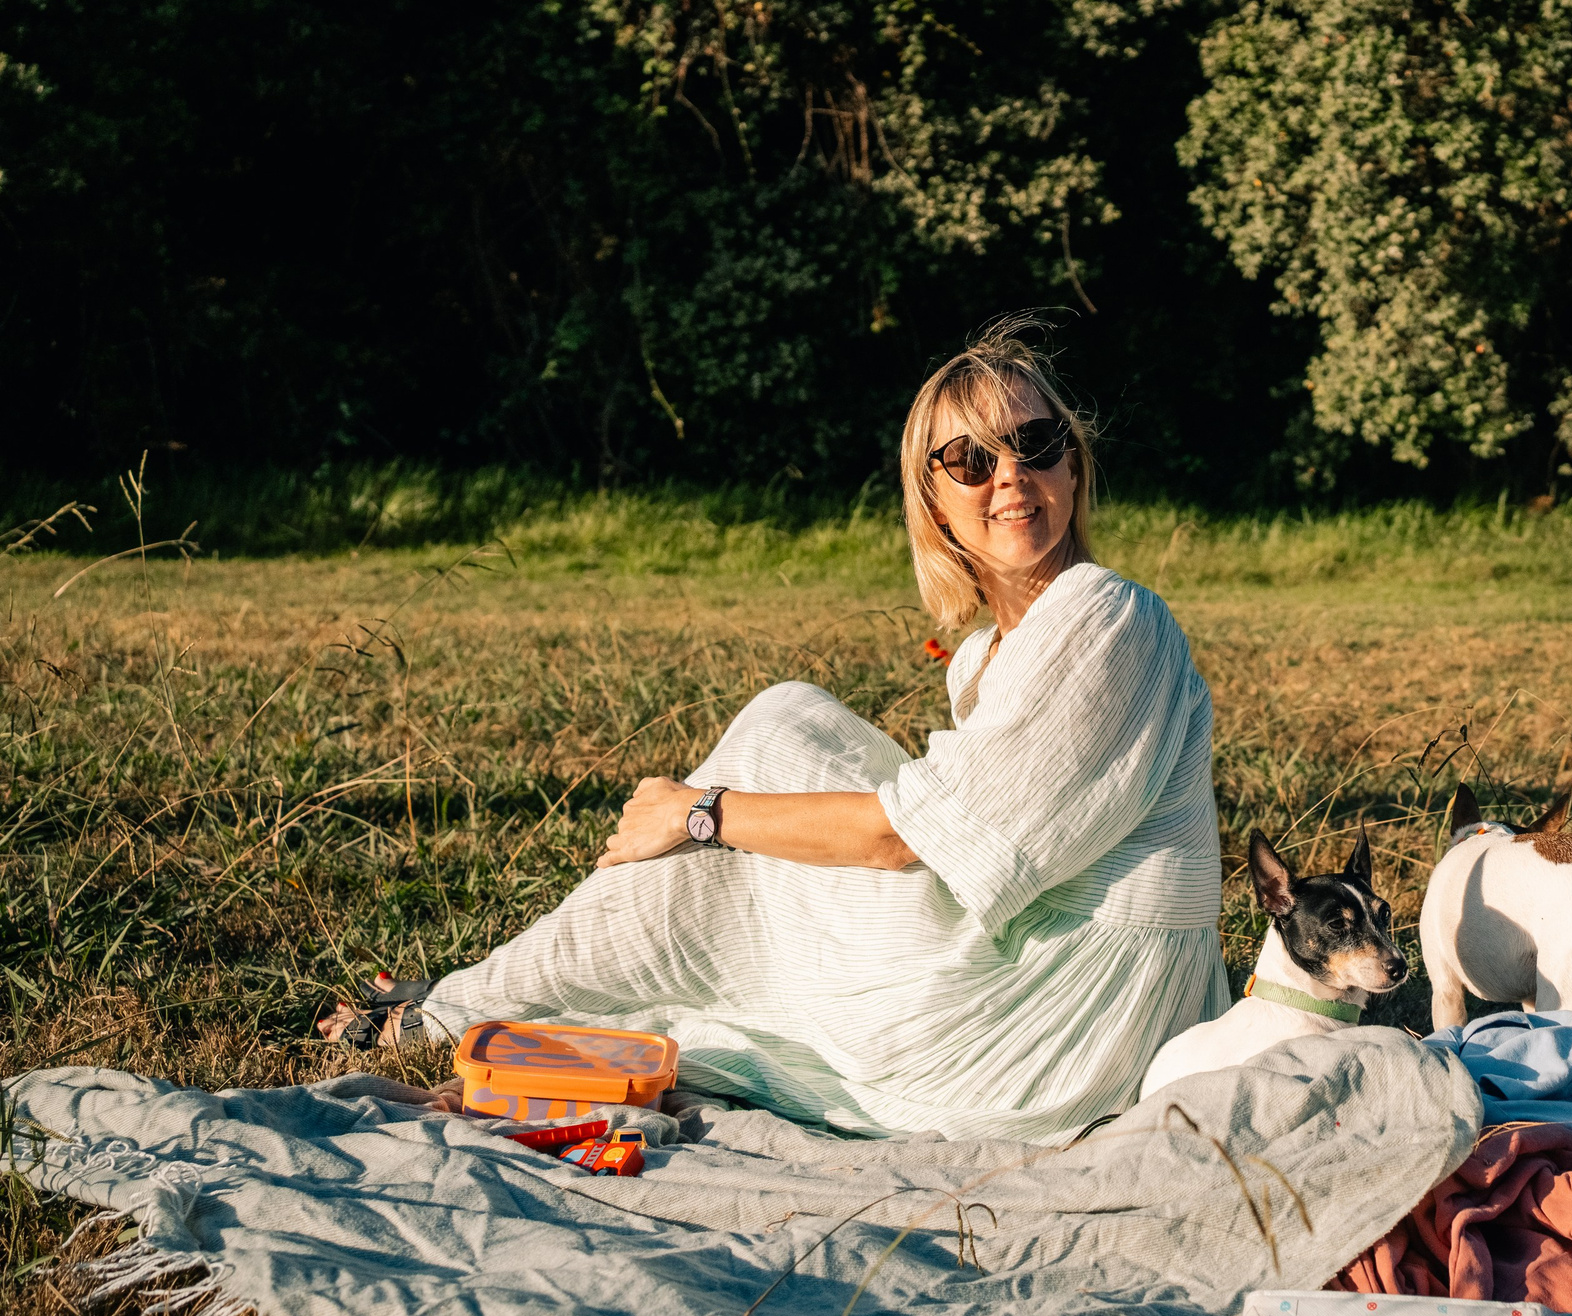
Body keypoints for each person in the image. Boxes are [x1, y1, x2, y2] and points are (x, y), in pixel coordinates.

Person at [316, 328, 1228, 1142]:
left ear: (1073, 465)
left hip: (1052, 1027)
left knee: (773, 736)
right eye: (970, 458)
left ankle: (471, 1004)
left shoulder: (1109, 615)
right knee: (783, 735)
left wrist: (701, 812)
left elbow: (902, 838)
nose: (1011, 476)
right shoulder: (988, 656)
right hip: (1044, 998)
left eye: (1036, 443)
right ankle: (488, 996)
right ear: (934, 500)